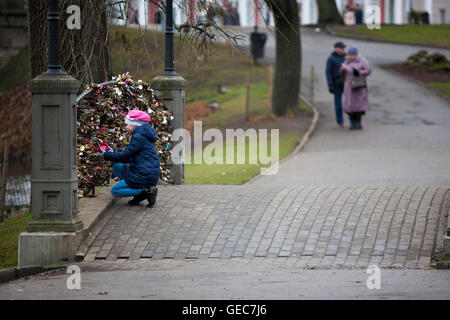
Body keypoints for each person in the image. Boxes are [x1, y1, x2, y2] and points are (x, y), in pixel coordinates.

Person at [99, 109, 160, 207]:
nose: (126, 127)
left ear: (136, 125)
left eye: (128, 124)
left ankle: (145, 191)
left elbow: (125, 156)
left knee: (115, 191)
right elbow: (129, 156)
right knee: (117, 166)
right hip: (148, 173)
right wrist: (111, 153)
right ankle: (138, 190)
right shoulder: (143, 134)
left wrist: (105, 155)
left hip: (143, 176)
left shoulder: (138, 137)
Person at [340, 46, 371, 130]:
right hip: (348, 87)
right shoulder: (346, 62)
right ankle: (352, 123)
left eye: (351, 55)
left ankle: (358, 123)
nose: (349, 56)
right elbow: (343, 75)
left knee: (358, 105)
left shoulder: (362, 61)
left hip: (358, 86)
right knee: (349, 105)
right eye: (348, 54)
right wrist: (342, 70)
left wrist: (359, 72)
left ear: (355, 55)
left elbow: (368, 71)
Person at [326, 41, 347, 127]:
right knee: (338, 102)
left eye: (343, 48)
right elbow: (328, 72)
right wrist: (330, 84)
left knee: (347, 101)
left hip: (346, 82)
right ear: (336, 48)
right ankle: (340, 120)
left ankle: (352, 118)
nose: (343, 49)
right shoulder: (331, 59)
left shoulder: (346, 57)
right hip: (336, 82)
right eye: (341, 48)